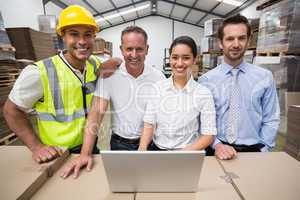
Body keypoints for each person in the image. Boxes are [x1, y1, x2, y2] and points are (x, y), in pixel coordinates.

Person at [3, 5, 121, 163]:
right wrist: (37, 147)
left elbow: (119, 61)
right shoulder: (40, 72)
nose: (82, 41)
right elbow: (11, 110)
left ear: (94, 38)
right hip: (58, 153)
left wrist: (114, 61)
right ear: (63, 37)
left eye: (88, 35)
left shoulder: (94, 64)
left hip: (89, 145)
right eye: (74, 34)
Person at [60, 26, 165, 178]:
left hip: (151, 143)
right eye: (129, 49)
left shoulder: (158, 78)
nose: (134, 55)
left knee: (149, 184)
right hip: (120, 144)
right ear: (121, 49)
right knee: (121, 184)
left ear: (147, 49)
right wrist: (85, 153)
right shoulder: (110, 76)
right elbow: (96, 114)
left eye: (139, 49)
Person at [199, 14, 280, 160]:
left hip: (255, 151)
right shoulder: (206, 80)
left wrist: (264, 148)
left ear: (248, 41)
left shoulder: (265, 77)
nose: (236, 44)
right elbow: (202, 120)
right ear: (220, 43)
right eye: (230, 39)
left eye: (241, 38)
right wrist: (216, 144)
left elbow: (271, 117)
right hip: (217, 149)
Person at [138, 36, 216, 151]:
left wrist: (180, 155)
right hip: (157, 151)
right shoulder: (157, 88)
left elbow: (209, 135)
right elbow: (149, 123)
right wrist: (142, 148)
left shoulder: (203, 94)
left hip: (188, 153)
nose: (179, 63)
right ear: (170, 59)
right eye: (175, 57)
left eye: (186, 58)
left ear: (194, 60)